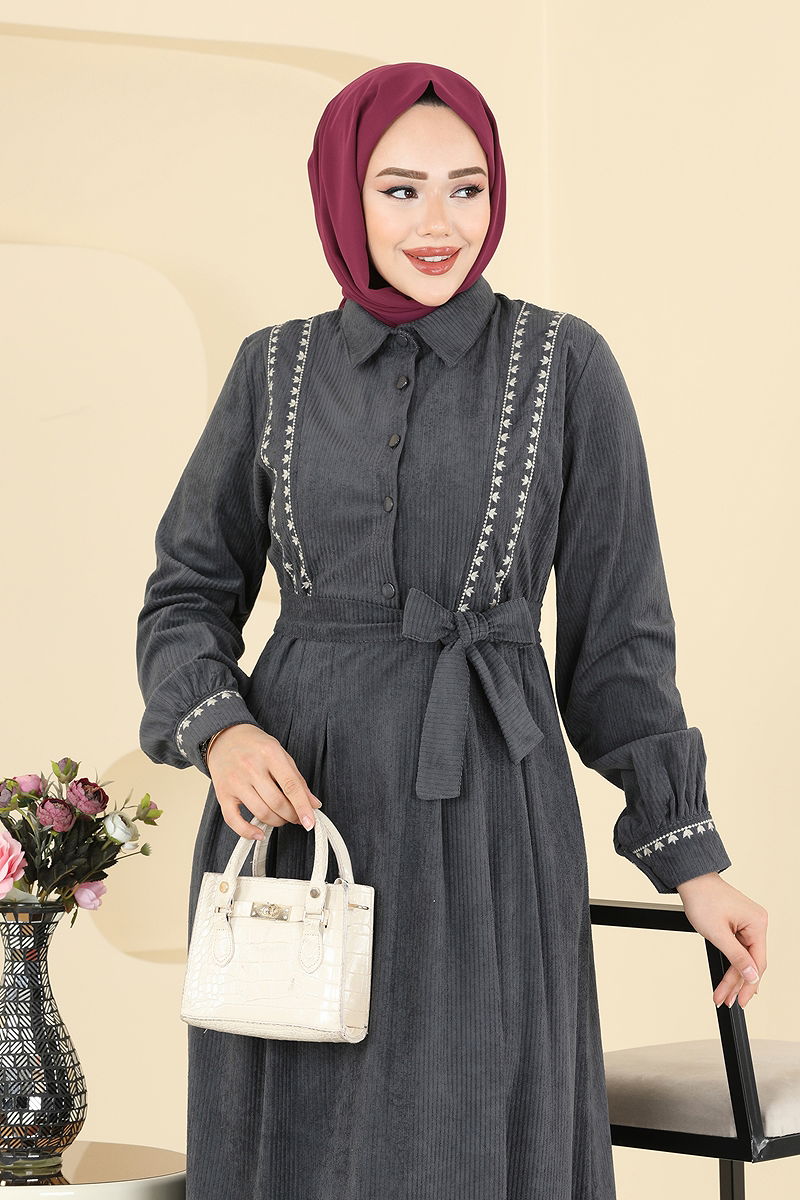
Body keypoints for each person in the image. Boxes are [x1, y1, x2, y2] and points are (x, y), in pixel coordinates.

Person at [135, 61, 767, 1200]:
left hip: (487, 810)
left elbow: (620, 640)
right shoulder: (273, 369)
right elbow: (185, 590)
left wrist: (693, 862)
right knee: (302, 1137)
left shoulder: (564, 364)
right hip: (299, 809)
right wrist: (221, 731)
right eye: (400, 190)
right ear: (343, 196)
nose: (439, 224)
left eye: (465, 188)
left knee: (474, 1120)